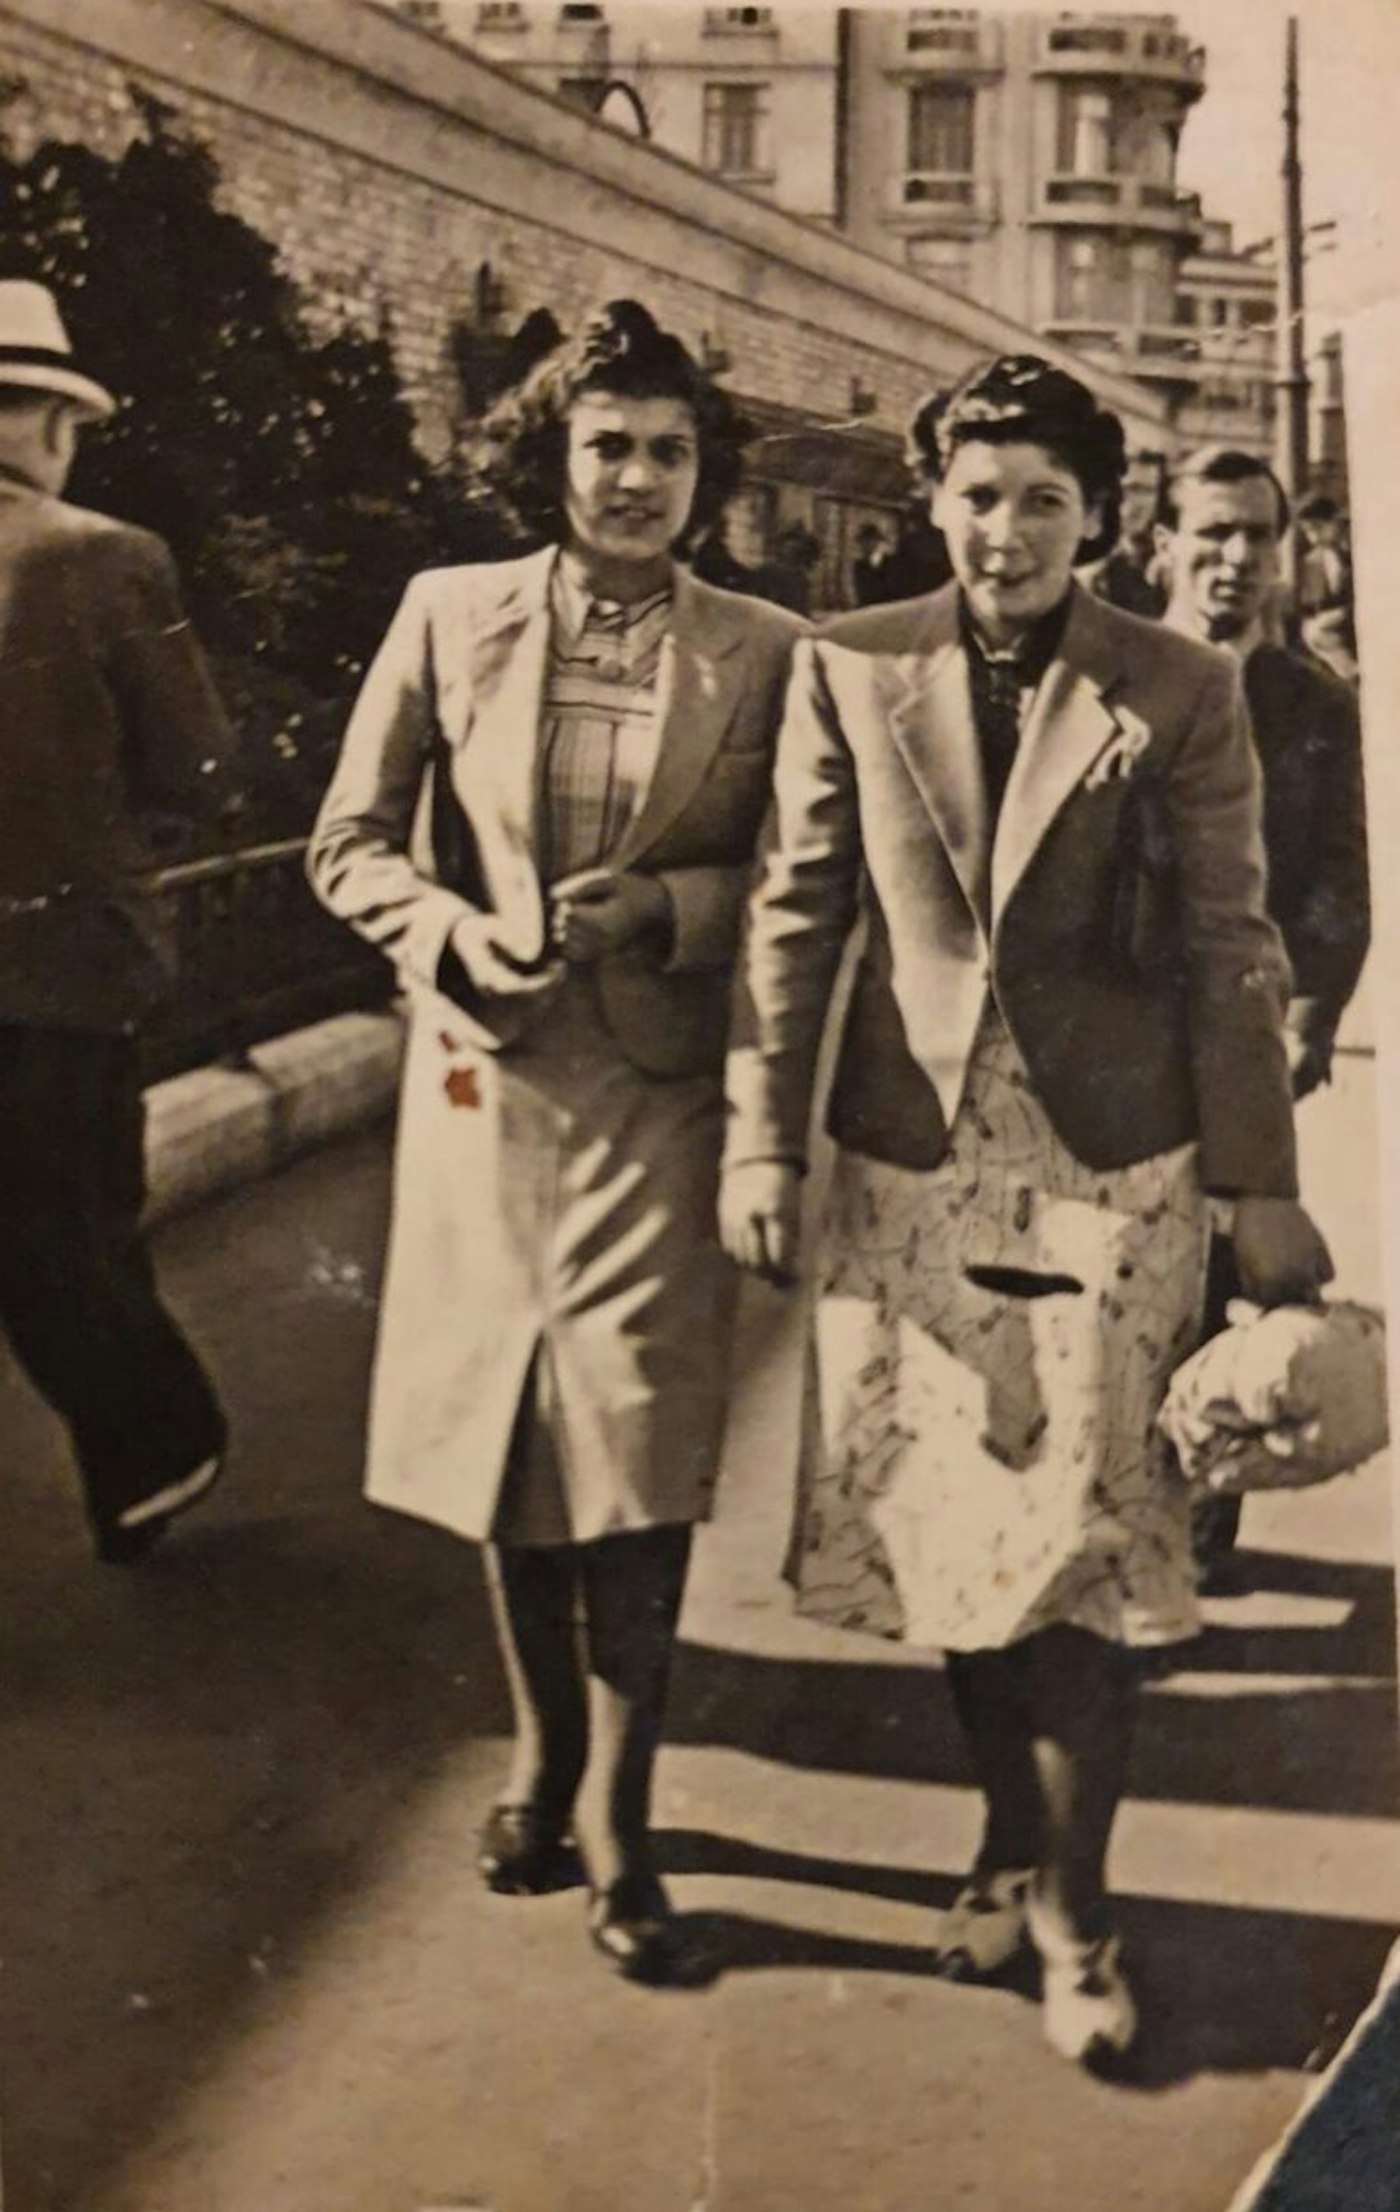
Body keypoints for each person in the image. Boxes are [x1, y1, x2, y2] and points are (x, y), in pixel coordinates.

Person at [720, 354, 1331, 2068]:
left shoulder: (1180, 686)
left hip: (1112, 1165)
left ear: (1096, 520)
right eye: (979, 496)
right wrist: (761, 1144)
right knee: (953, 1544)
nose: (1006, 531)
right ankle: (1014, 1834)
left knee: (1079, 1544)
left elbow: (1234, 942)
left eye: (1043, 501)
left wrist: (1257, 1187)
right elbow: (795, 914)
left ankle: (1075, 1907)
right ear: (936, 502)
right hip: (908, 1162)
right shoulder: (850, 663)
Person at [308, 300, 802, 1985]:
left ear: (703, 470)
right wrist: (453, 933)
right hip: (492, 1092)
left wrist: (664, 906)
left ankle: (625, 1813)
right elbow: (349, 843)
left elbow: (816, 887)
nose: (640, 476)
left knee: (641, 1455)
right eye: (609, 445)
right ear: (556, 457)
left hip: (661, 1098)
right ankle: (538, 1755)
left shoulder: (771, 647)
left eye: (670, 449)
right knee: (517, 1448)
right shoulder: (449, 614)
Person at [0, 279, 236, 1564]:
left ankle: (145, 1469)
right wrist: (125, 850)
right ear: (40, 418)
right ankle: (159, 1447)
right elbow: (199, 767)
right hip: (70, 973)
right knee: (73, 1235)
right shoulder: (108, 558)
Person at [1156, 446, 1370, 1583]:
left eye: (1254, 536)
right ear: (1162, 544)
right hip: (1120, 1035)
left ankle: (1191, 1530)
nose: (1233, 558)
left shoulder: (1311, 703)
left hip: (1250, 1034)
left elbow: (1341, 877)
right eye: (1211, 532)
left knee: (1217, 1274)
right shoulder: (1107, 674)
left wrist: (1309, 1014)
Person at [1081, 446, 1167, 618]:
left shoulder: (1162, 561)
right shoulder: (1091, 564)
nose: (1141, 503)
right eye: (1133, 489)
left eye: (1149, 491)